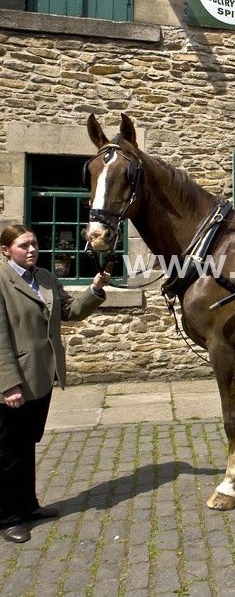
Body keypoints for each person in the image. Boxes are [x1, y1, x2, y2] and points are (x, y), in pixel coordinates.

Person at [0, 225, 109, 543]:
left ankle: (28, 506)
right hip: (16, 381)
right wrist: (8, 385)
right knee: (8, 451)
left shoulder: (45, 277)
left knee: (27, 444)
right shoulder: (3, 281)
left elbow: (70, 311)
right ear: (6, 250)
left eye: (34, 244)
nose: (31, 250)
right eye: (23, 246)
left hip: (42, 377)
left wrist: (95, 289)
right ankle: (8, 518)